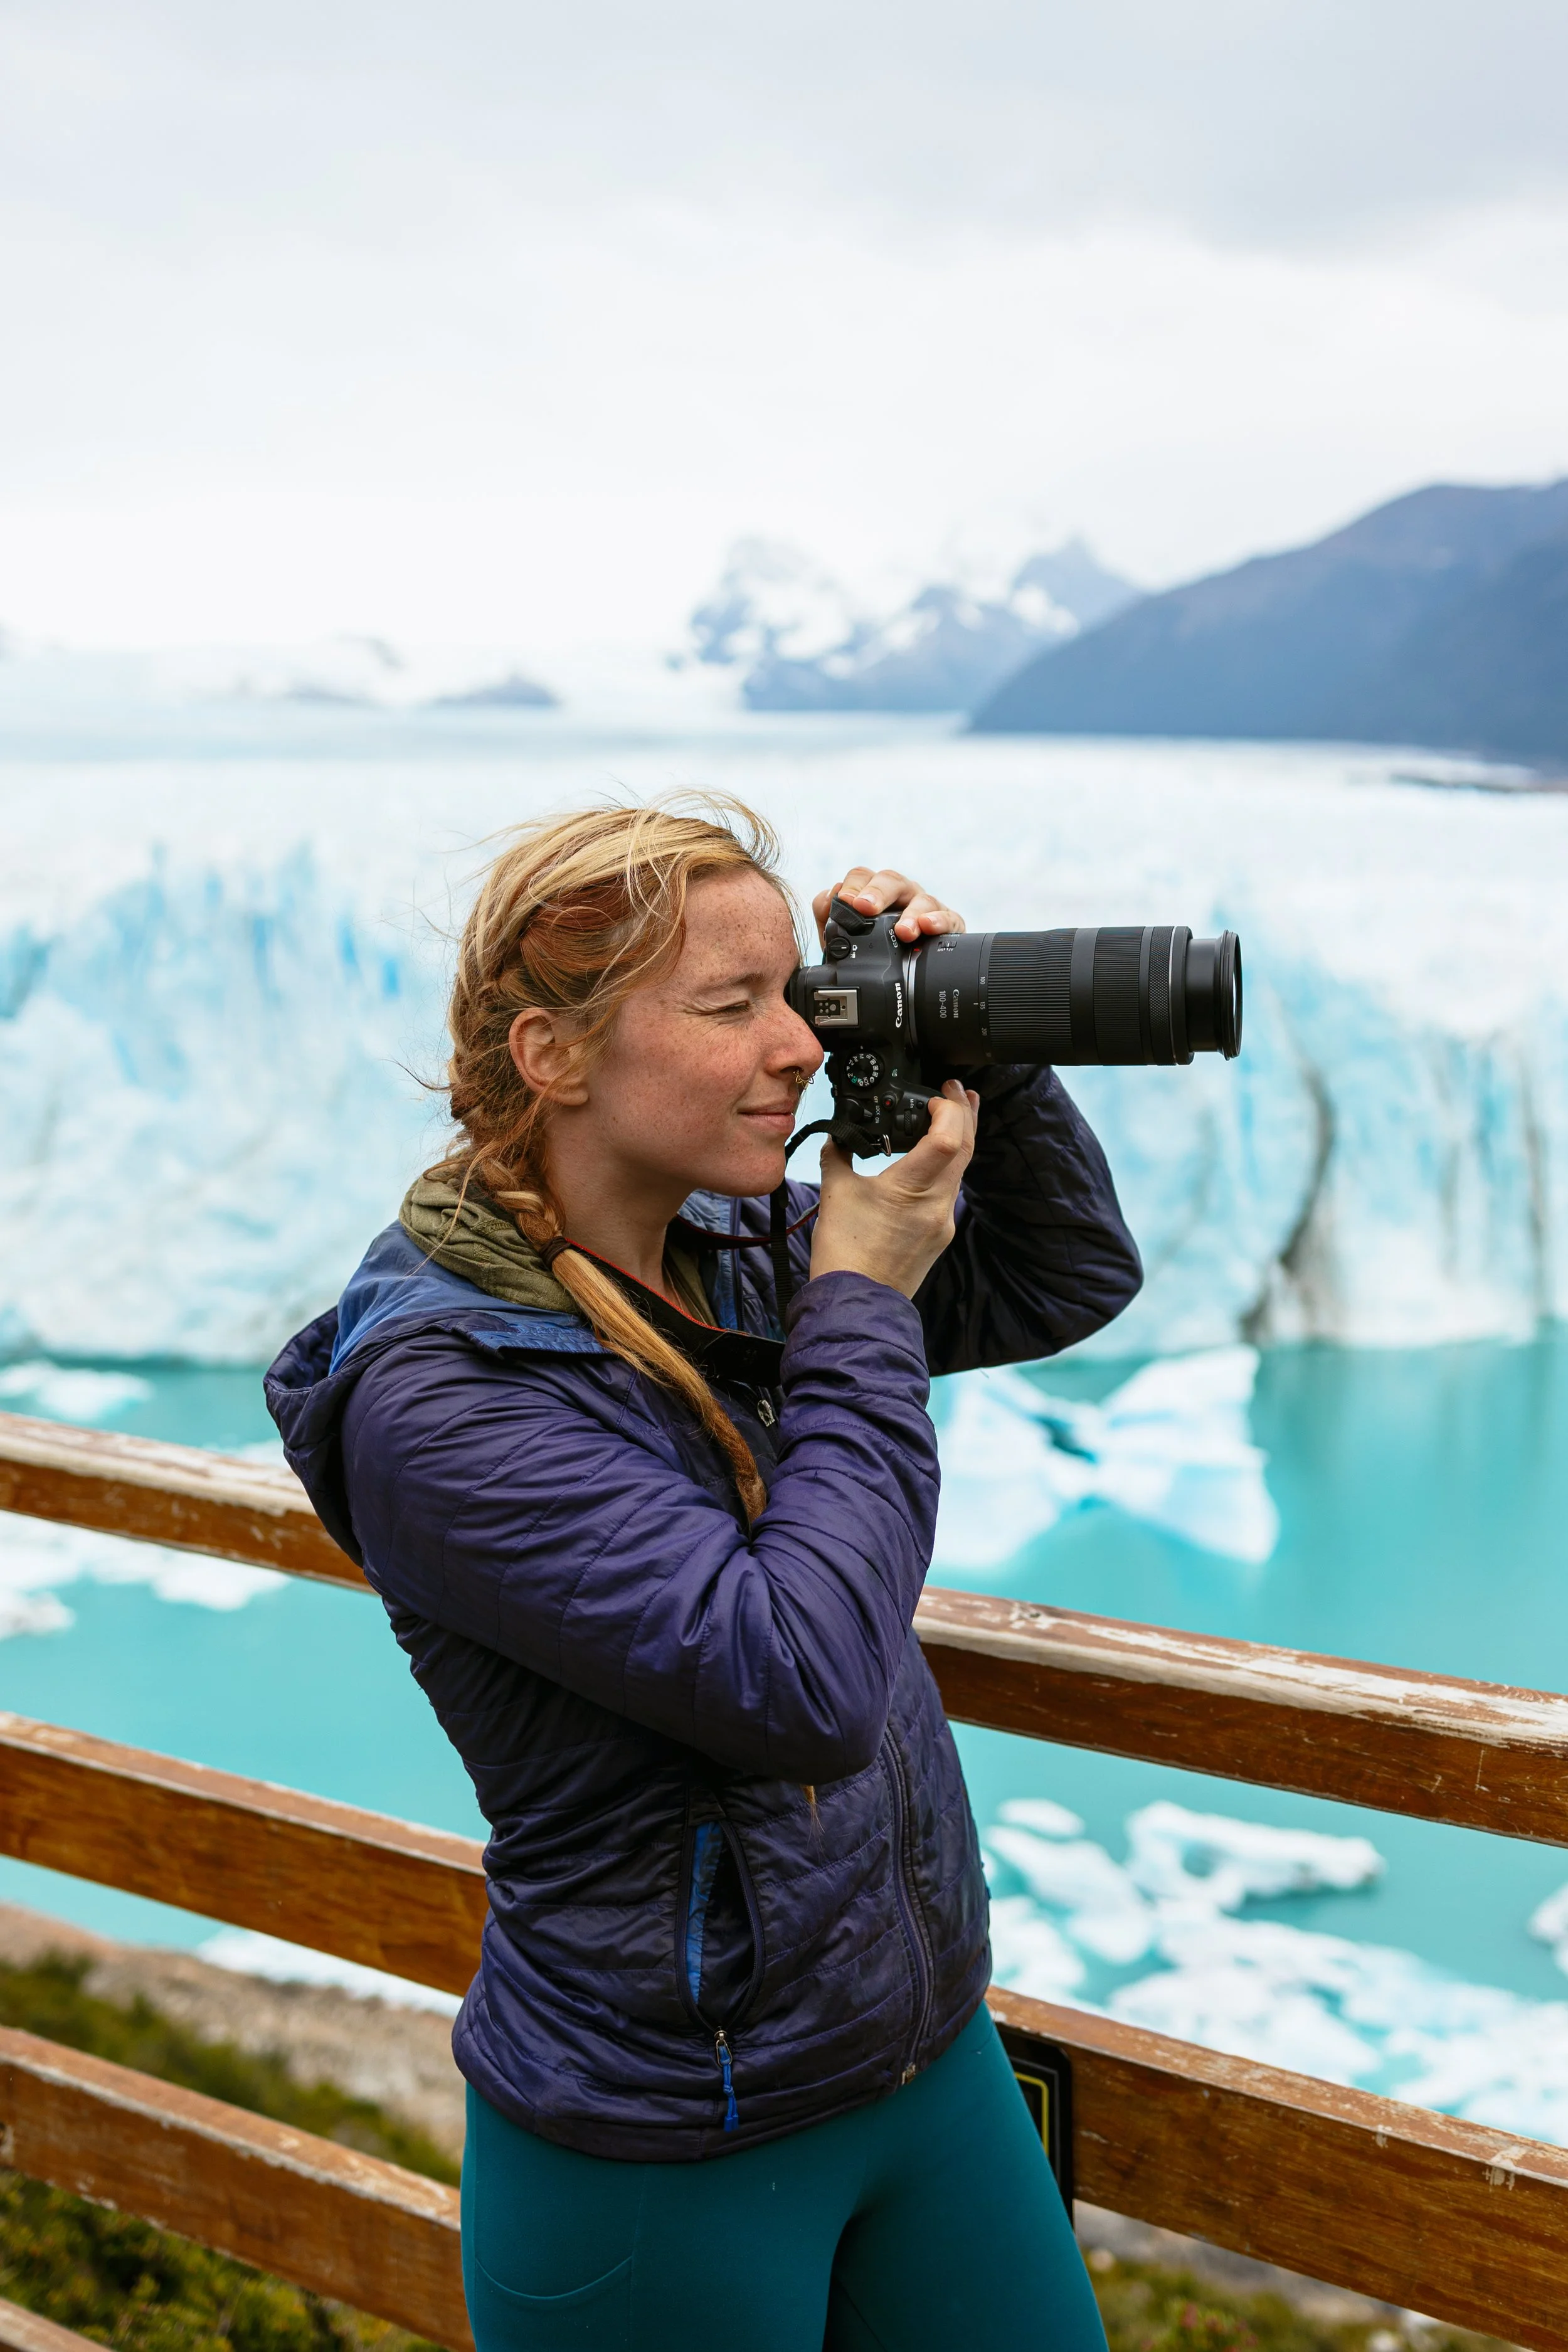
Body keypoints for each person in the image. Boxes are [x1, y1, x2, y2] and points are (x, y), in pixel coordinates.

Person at [266, 798, 1142, 2352]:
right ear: (552, 1053)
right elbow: (793, 1683)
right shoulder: (441, 1395)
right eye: (731, 1008)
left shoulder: (725, 1245)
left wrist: (977, 1043)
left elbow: (1057, 1274)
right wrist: (860, 1292)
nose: (795, 1046)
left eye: (795, 997)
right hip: (667, 2140)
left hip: (918, 2064)